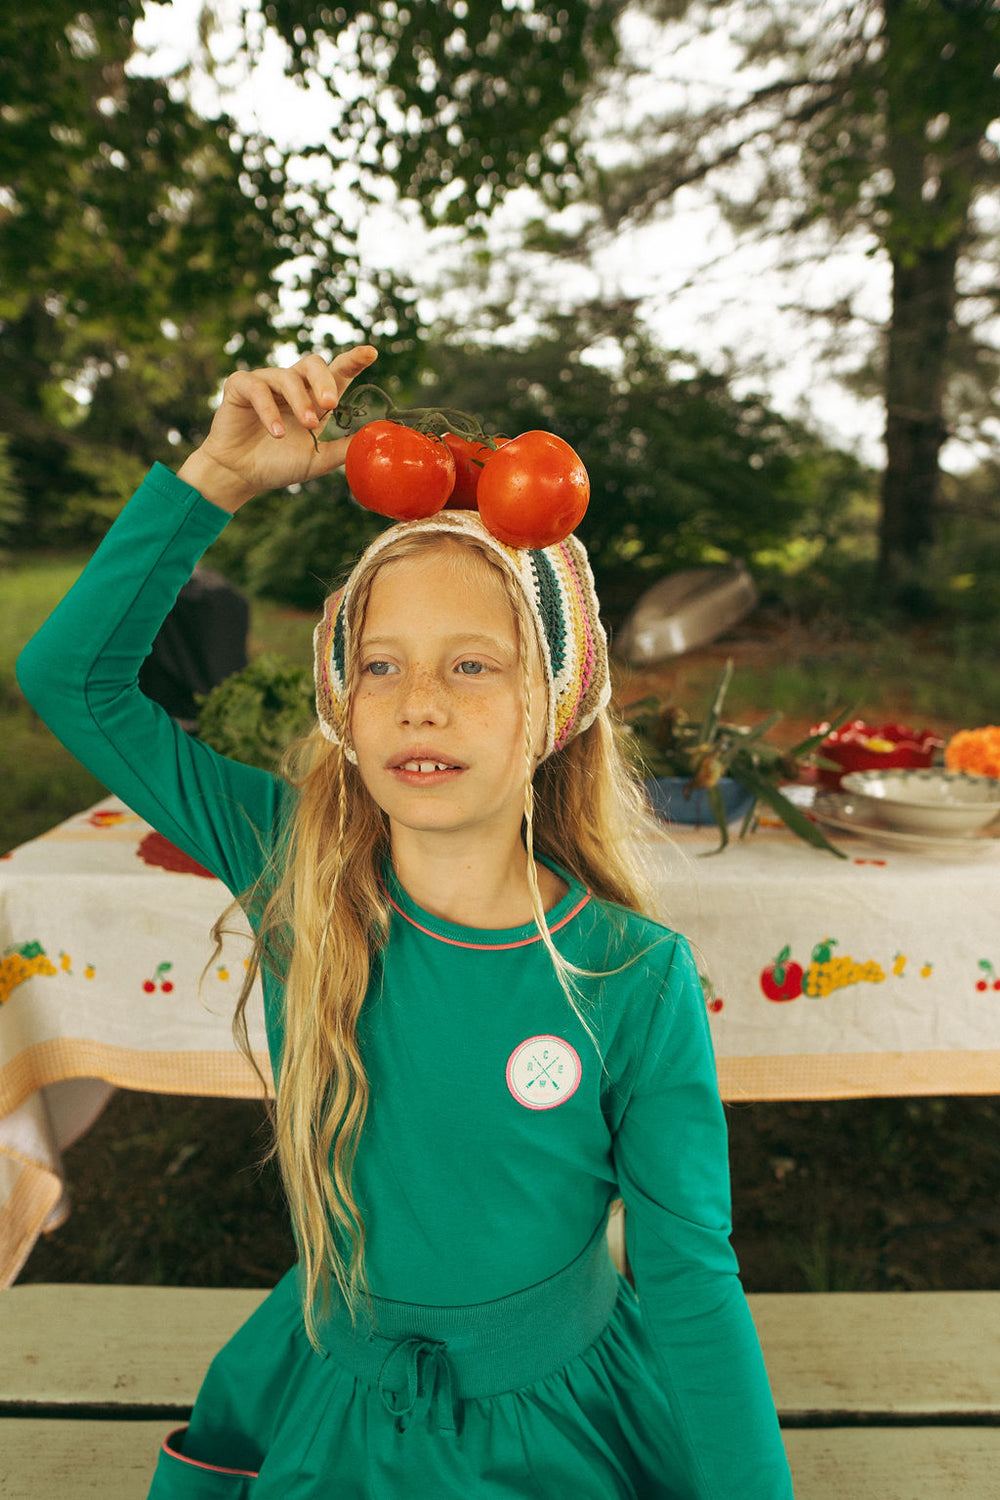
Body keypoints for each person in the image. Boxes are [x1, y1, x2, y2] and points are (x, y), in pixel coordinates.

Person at [16, 346, 794, 1499]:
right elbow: (70, 679)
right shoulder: (297, 867)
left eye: (472, 665)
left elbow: (688, 1276)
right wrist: (216, 482)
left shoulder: (631, 974)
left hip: (561, 1424)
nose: (419, 698)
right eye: (381, 666)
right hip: (331, 1398)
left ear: (555, 707)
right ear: (343, 700)